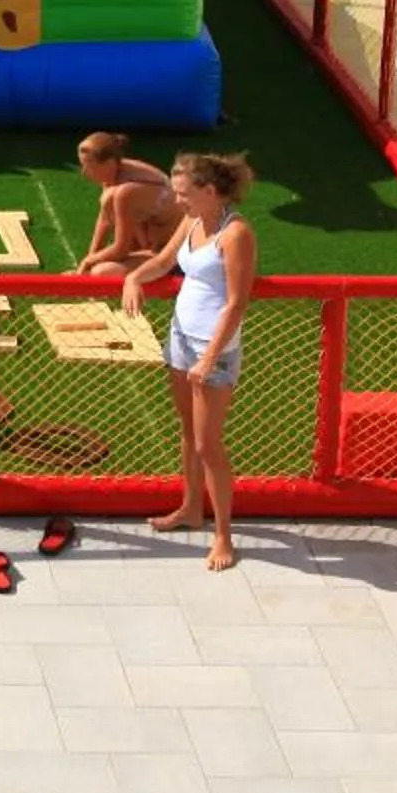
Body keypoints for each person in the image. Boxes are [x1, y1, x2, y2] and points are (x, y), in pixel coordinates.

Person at [120, 151, 258, 571]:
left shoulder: (236, 235)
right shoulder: (193, 221)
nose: (177, 201)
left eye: (184, 193)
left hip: (211, 350)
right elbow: (163, 262)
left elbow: (236, 304)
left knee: (208, 444)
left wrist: (209, 359)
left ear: (210, 191)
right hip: (180, 339)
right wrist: (131, 277)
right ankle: (190, 508)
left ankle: (223, 536)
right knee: (187, 432)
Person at [73, 132, 176, 276]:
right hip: (148, 240)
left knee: (100, 272)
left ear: (108, 163)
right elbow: (104, 219)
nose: (84, 172)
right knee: (98, 266)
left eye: (89, 166)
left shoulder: (125, 192)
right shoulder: (116, 172)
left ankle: (176, 271)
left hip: (169, 251)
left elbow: (121, 249)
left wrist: (89, 262)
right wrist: (87, 263)